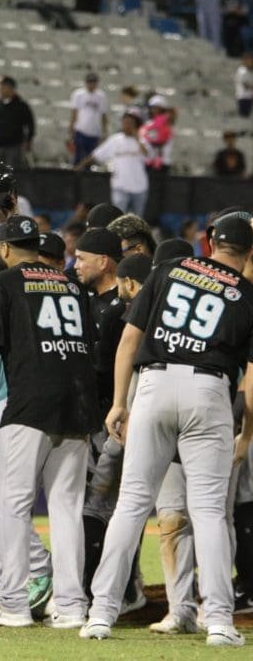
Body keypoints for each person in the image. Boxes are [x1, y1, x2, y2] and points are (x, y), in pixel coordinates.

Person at [81, 217, 253, 648]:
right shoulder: (247, 294)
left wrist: (121, 402)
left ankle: (100, 614)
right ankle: (218, 622)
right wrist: (247, 436)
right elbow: (251, 377)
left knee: (132, 504)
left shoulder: (165, 270)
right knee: (211, 512)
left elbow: (129, 340)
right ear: (249, 252)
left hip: (154, 385)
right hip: (208, 388)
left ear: (210, 242)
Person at [0, 215, 100, 628]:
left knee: (12, 502)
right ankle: (70, 605)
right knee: (65, 507)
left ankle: (11, 603)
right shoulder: (73, 285)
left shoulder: (4, 282)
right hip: (78, 405)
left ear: (6, 249)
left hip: (30, 402)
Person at [76, 111, 149, 220]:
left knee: (138, 219)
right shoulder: (115, 140)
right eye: (125, 122)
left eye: (130, 123)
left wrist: (137, 138)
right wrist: (81, 165)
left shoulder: (142, 141)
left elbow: (148, 156)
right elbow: (96, 155)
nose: (127, 125)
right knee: (119, 217)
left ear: (135, 125)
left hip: (139, 187)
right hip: (120, 186)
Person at [0, 77, 33, 169]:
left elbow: (30, 124)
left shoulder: (21, 106)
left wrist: (28, 140)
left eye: (3, 87)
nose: (1, 90)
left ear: (10, 88)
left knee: (12, 171)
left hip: (14, 146)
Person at [69, 73, 108, 166]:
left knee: (90, 158)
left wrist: (104, 131)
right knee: (78, 156)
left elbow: (103, 115)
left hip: (95, 132)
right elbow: (74, 112)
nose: (91, 84)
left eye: (93, 82)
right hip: (81, 130)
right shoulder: (78, 94)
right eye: (89, 82)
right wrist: (71, 128)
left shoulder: (101, 96)